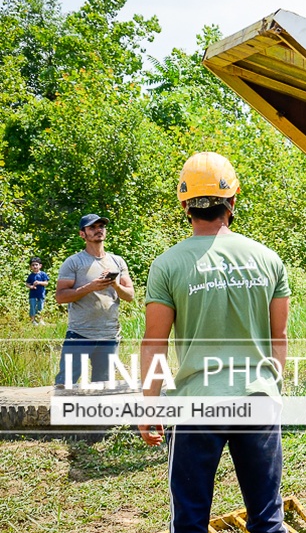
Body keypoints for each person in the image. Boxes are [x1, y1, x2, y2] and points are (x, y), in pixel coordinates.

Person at [138, 152, 291, 533]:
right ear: (232, 201)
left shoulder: (167, 265)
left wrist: (148, 406)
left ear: (186, 205)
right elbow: (280, 338)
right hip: (257, 399)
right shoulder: (268, 259)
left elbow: (153, 343)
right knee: (267, 519)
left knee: (189, 521)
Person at [54, 213, 134, 387]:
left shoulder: (117, 261)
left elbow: (130, 296)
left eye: (101, 227)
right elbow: (60, 296)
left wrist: (115, 285)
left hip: (109, 336)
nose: (98, 230)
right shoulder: (73, 262)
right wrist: (90, 287)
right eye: (92, 227)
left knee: (103, 388)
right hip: (79, 335)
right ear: (82, 234)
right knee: (65, 386)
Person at [26, 257, 50, 324]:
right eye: (33, 265)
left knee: (40, 307)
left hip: (41, 294)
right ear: (30, 267)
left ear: (40, 266)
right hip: (32, 295)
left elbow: (46, 283)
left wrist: (39, 282)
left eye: (36, 264)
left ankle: (40, 320)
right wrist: (31, 286)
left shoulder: (43, 274)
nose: (35, 266)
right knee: (32, 307)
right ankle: (32, 320)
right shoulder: (31, 276)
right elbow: (27, 284)